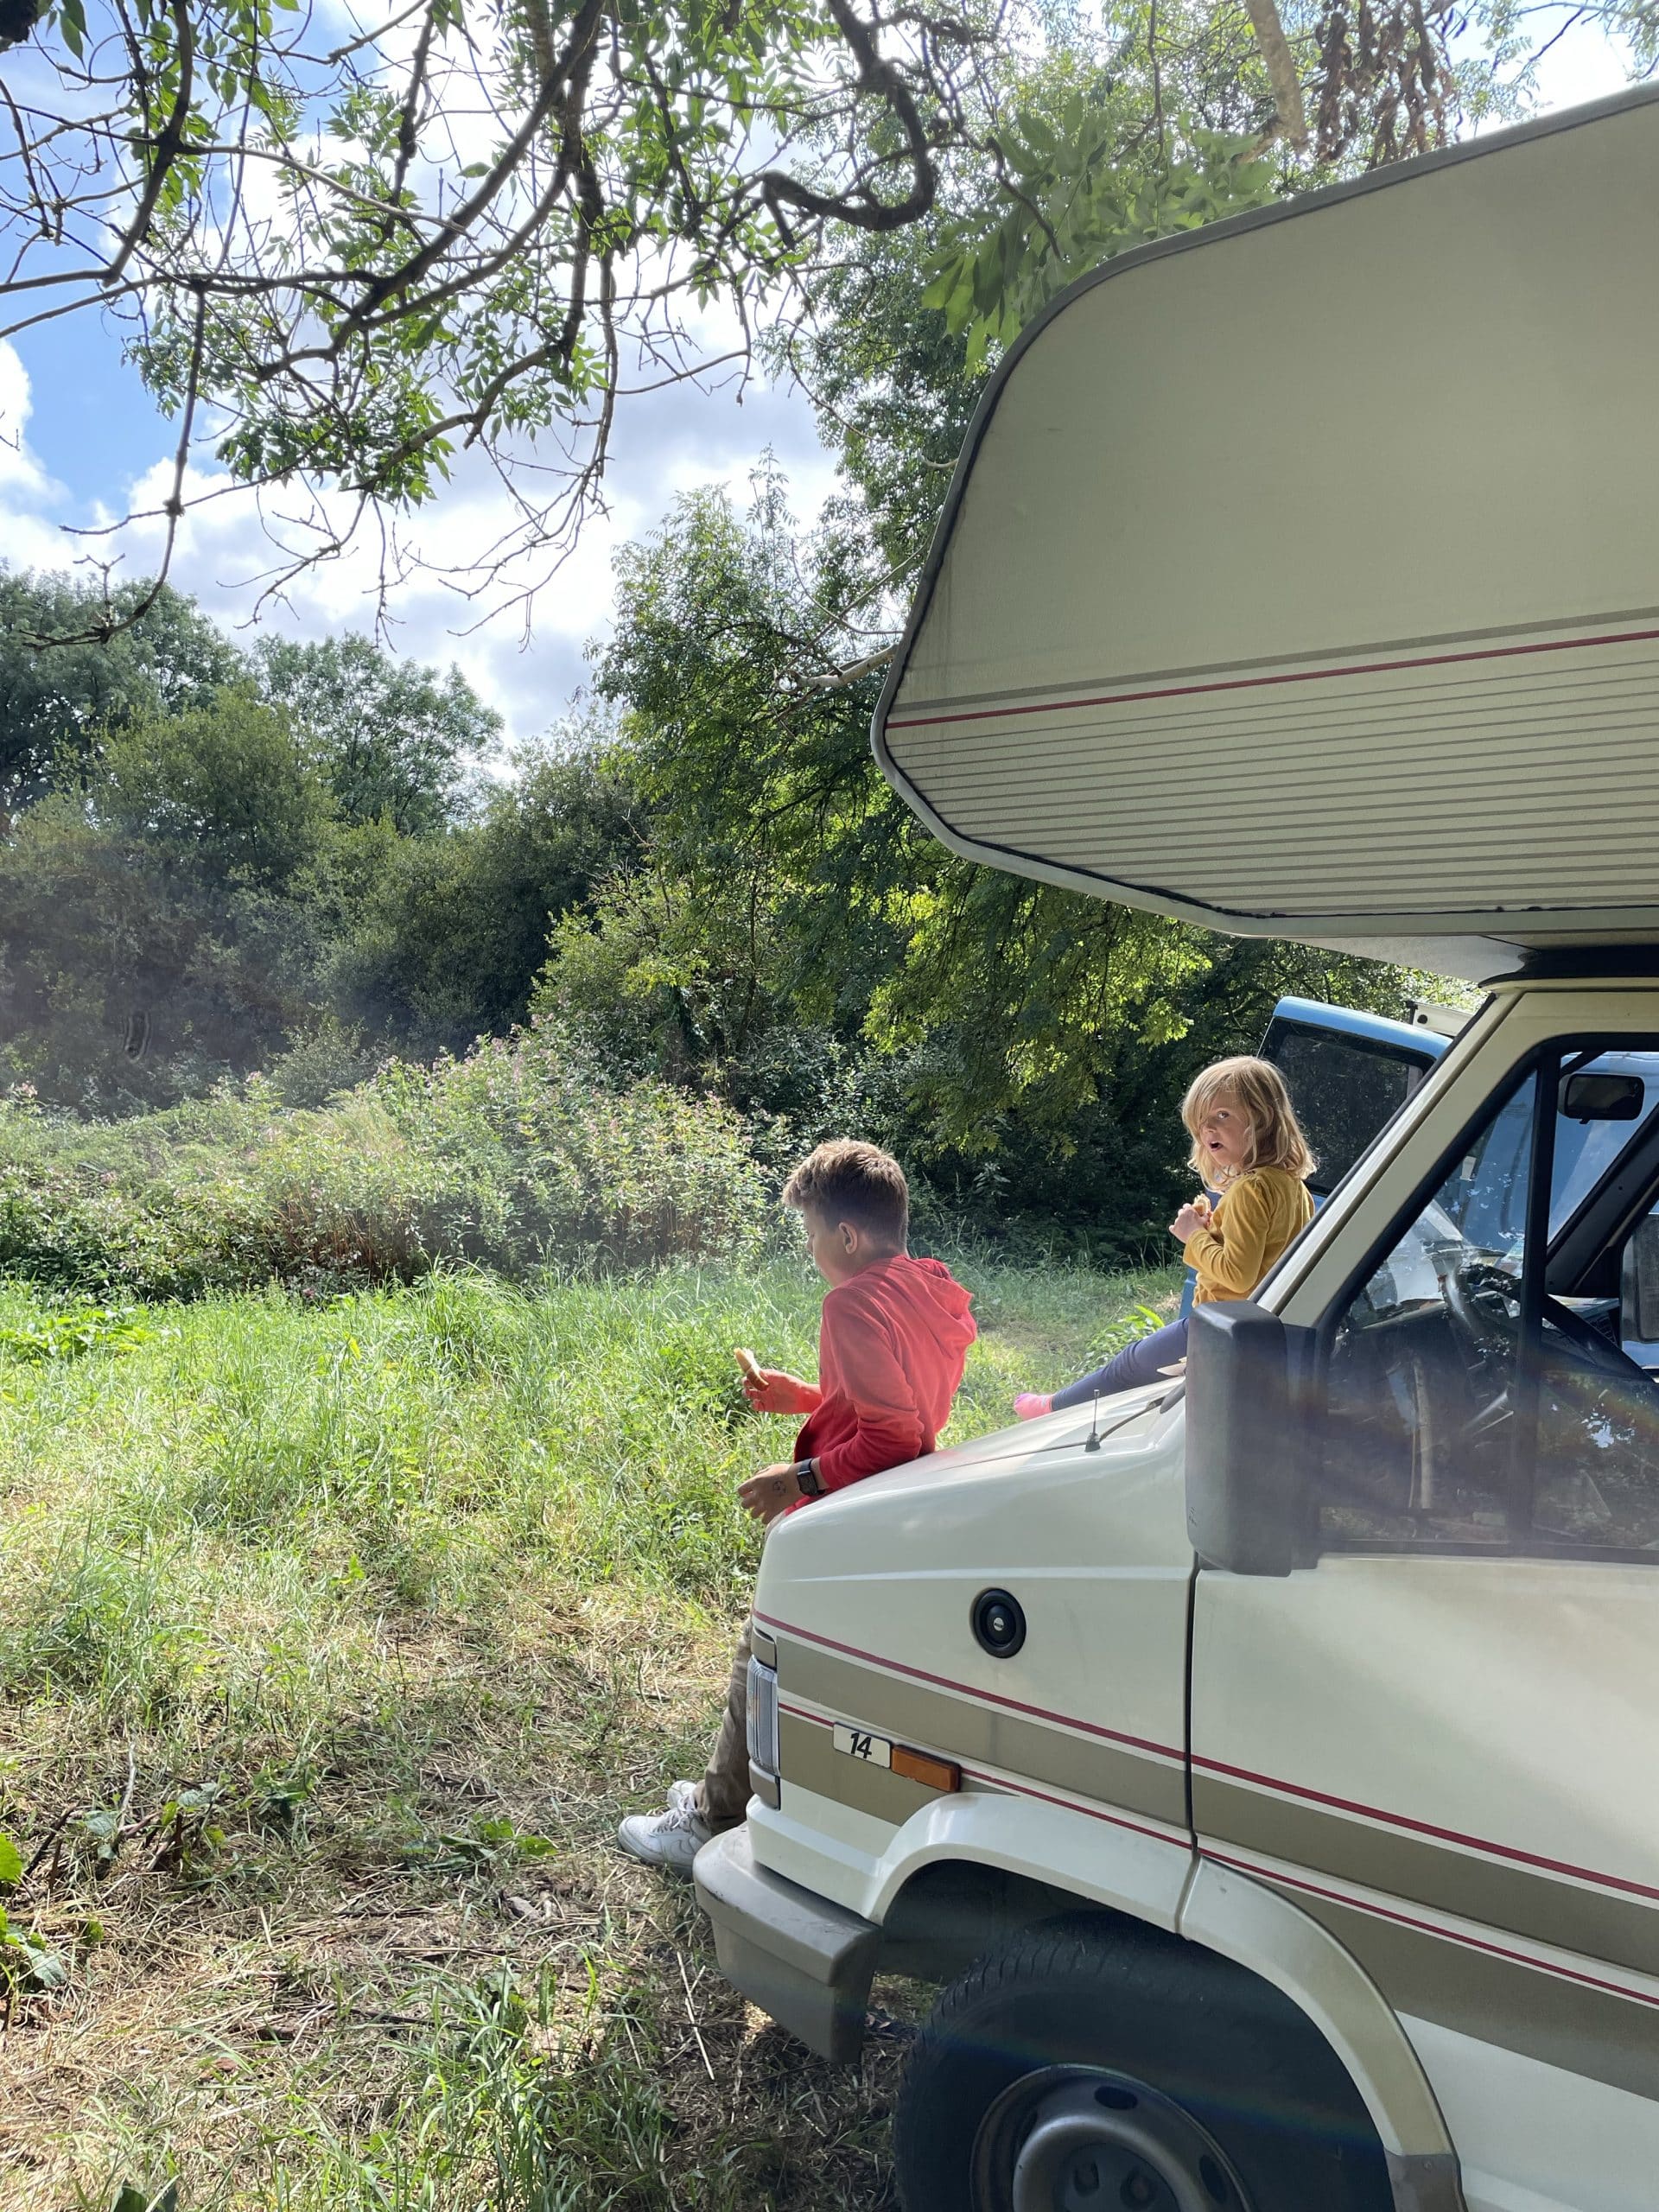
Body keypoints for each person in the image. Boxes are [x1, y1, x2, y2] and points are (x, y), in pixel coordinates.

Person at [617, 1138, 977, 1871]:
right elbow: (901, 1404)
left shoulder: (851, 1302)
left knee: (766, 1647)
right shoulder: (928, 1286)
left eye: (811, 1234)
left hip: (851, 1507)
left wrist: (797, 1479)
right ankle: (766, 1795)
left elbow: (892, 1435)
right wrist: (807, 1397)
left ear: (845, 1235)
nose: (810, 1249)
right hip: (903, 1502)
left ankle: (712, 1818)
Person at [1015, 1056, 1314, 1417]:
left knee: (1129, 1366)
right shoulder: (1293, 1186)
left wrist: (1193, 1235)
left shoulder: (1250, 1189)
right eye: (1201, 1121)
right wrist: (1212, 1230)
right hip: (1259, 1331)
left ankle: (1053, 1409)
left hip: (1221, 1327)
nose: (1208, 1129)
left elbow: (1238, 1274)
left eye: (1222, 1115)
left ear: (1263, 1119)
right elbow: (1266, 1257)